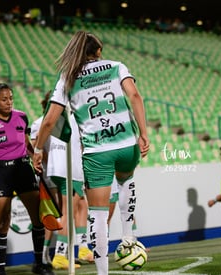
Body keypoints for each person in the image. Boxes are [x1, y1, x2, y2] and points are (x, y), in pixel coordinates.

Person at [32, 31, 149, 275]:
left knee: (97, 214)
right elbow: (135, 96)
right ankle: (128, 237)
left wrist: (37, 150)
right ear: (97, 51)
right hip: (126, 143)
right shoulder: (117, 67)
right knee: (126, 181)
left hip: (97, 152)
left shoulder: (68, 77)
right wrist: (144, 134)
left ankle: (102, 272)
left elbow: (49, 120)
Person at [0, 83, 54, 275]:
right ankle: (1, 269)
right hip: (0, 173)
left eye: (11, 98)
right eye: (4, 99)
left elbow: (26, 143)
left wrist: (34, 158)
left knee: (38, 218)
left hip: (23, 169)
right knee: (3, 220)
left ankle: (38, 263)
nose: (9, 102)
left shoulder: (21, 116)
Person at [46, 113, 93, 270]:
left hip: (56, 167)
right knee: (68, 213)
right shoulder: (80, 116)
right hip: (70, 169)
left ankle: (83, 249)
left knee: (81, 205)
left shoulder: (56, 115)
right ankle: (59, 255)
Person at [30, 91, 59, 268]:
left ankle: (55, 252)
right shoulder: (37, 124)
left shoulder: (62, 124)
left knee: (58, 213)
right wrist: (49, 159)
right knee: (49, 213)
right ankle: (45, 254)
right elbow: (34, 148)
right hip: (46, 174)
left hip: (61, 173)